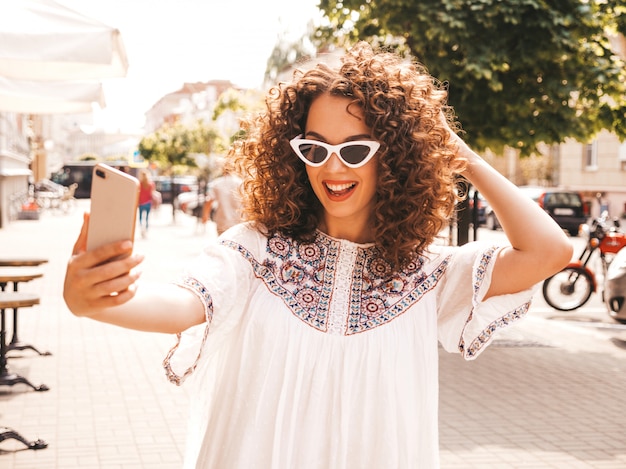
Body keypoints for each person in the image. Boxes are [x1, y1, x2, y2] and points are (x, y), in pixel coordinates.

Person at [63, 42, 573, 468]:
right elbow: (182, 304)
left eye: (355, 150)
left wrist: (458, 153)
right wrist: (97, 302)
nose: (333, 166)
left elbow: (550, 250)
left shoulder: (430, 274)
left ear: (394, 156)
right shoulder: (255, 250)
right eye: (315, 148)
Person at [202, 168, 243, 235]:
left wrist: (205, 216)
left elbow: (209, 200)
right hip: (239, 222)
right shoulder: (241, 183)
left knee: (222, 244)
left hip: (222, 221)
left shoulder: (216, 183)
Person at [137, 170, 155, 237]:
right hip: (148, 202)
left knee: (141, 217)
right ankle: (146, 230)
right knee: (147, 217)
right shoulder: (150, 184)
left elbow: (138, 194)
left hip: (141, 203)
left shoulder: (140, 184)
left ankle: (142, 229)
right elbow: (151, 194)